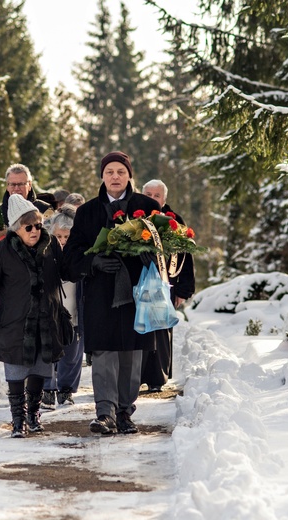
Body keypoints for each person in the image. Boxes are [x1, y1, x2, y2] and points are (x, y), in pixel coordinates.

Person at [62, 151, 161, 435]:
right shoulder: (87, 212)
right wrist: (93, 262)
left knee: (131, 353)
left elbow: (166, 246)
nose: (115, 176)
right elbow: (71, 256)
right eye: (109, 172)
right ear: (102, 176)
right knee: (104, 353)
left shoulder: (147, 206)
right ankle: (105, 412)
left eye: (120, 171)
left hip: (136, 292)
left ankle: (125, 412)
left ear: (129, 175)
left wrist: (148, 255)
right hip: (100, 295)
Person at [0, 194, 70, 438]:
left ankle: (33, 415)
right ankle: (18, 420)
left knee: (40, 370)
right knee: (16, 373)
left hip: (46, 320)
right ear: (16, 229)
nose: (35, 230)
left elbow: (66, 271)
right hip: (16, 323)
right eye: (29, 227)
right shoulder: (2, 253)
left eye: (38, 225)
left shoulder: (50, 248)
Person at [140, 179, 196, 392]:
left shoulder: (175, 221)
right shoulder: (134, 220)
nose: (152, 199)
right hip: (140, 286)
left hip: (166, 285)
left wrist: (183, 290)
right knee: (139, 330)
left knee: (161, 332)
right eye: (148, 194)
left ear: (164, 199)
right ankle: (136, 376)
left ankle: (157, 378)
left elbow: (186, 257)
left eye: (156, 195)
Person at [40, 208, 84, 409]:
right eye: (58, 236)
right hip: (52, 310)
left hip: (74, 309)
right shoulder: (45, 252)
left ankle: (66, 390)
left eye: (67, 236)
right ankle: (47, 388)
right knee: (48, 349)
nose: (63, 240)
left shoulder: (77, 253)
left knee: (73, 351)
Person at [0, 164, 52, 258]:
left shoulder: (45, 209)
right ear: (7, 186)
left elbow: (56, 242)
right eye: (13, 184)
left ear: (29, 185)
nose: (17, 188)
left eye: (21, 184)